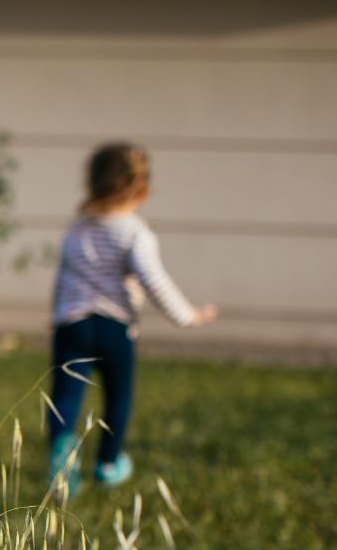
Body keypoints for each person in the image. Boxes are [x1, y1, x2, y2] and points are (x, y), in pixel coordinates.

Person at [48, 143, 217, 491]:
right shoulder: (134, 233)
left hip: (72, 325)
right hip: (114, 327)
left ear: (91, 185)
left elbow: (63, 278)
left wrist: (59, 315)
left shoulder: (77, 230)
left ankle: (63, 458)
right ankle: (108, 463)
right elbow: (154, 280)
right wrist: (188, 316)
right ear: (142, 191)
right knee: (118, 395)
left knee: (65, 395)